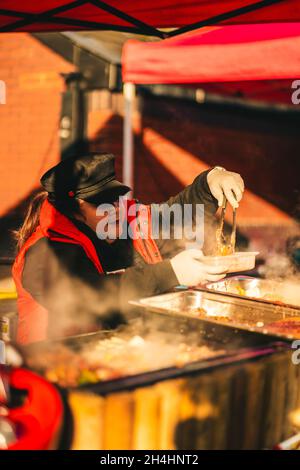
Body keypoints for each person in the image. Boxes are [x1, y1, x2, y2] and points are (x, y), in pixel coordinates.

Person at [12, 153, 244, 344]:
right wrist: (171, 272)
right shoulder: (45, 251)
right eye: (100, 202)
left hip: (119, 348)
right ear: (73, 208)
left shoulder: (124, 219)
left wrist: (209, 184)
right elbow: (88, 297)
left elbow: (177, 216)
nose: (112, 208)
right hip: (53, 365)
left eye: (115, 198)